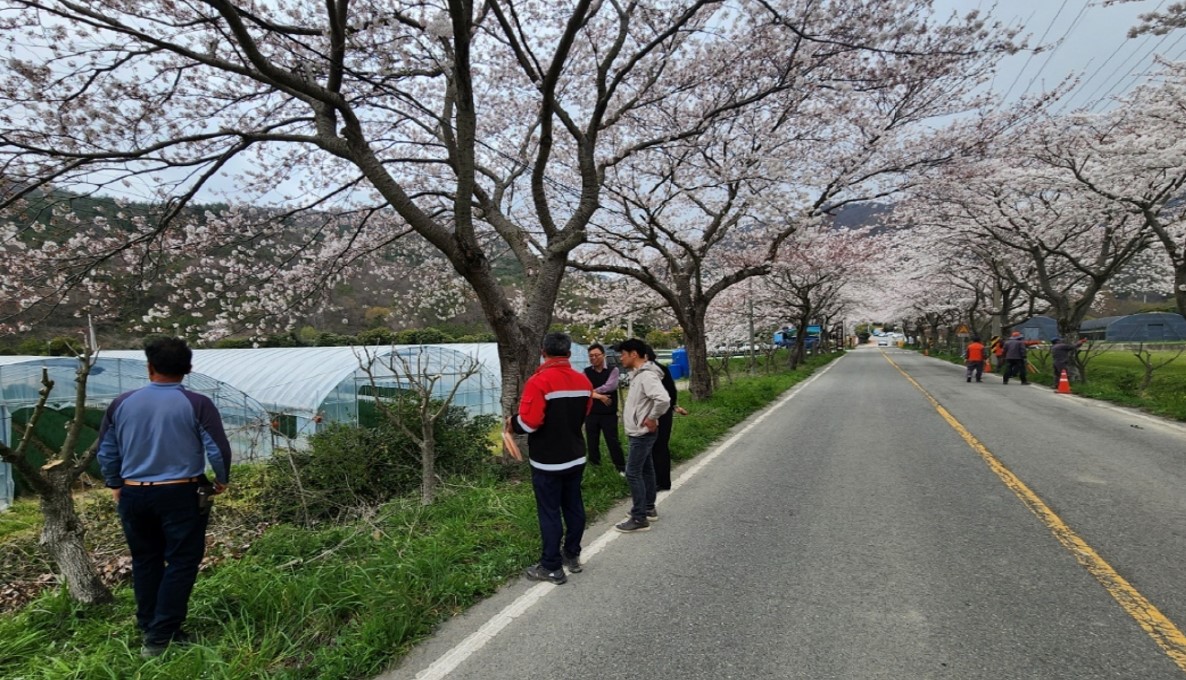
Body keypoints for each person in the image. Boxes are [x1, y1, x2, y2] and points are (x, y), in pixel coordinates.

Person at [97, 337, 231, 658]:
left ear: (150, 367)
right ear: (188, 369)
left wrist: (116, 483)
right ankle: (161, 636)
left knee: (146, 559)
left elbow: (106, 450)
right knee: (183, 560)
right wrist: (221, 480)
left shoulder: (122, 403)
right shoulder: (198, 403)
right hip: (181, 492)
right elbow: (217, 447)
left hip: (134, 494)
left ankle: (148, 624)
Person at [509, 332, 593, 584]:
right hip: (576, 455)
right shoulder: (583, 381)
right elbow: (584, 414)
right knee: (574, 505)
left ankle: (551, 566)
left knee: (549, 512)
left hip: (548, 460)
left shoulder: (539, 381)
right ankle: (572, 555)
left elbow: (530, 422)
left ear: (543, 352)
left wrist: (512, 423)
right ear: (568, 353)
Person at [614, 339, 670, 533]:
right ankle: (648, 507)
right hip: (639, 431)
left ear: (634, 354)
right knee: (646, 469)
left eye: (623, 354)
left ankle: (639, 517)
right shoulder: (639, 375)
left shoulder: (646, 376)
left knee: (632, 472)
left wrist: (652, 417)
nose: (620, 358)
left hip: (641, 433)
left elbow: (663, 400)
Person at [646, 347, 688, 490]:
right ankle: (663, 481)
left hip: (658, 413)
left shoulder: (652, 372)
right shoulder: (662, 369)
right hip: (665, 412)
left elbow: (667, 393)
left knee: (656, 447)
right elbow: (672, 391)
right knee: (661, 447)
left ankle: (659, 481)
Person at [583, 343, 625, 473]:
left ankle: (621, 468)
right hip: (591, 413)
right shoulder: (586, 372)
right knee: (592, 442)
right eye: (591, 356)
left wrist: (592, 393)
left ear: (603, 355)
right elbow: (583, 389)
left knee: (613, 441)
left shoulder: (613, 370)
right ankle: (595, 468)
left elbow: (610, 386)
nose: (593, 358)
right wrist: (599, 397)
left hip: (609, 414)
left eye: (596, 355)